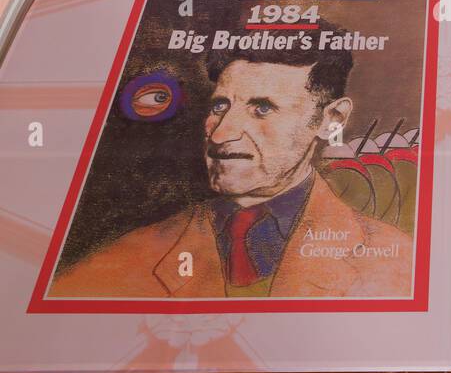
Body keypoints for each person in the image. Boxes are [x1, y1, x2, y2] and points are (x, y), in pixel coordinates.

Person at [48, 40, 412, 301]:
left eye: (262, 108)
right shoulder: (121, 260)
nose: (221, 133)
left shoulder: (400, 264)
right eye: (220, 105)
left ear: (330, 119)